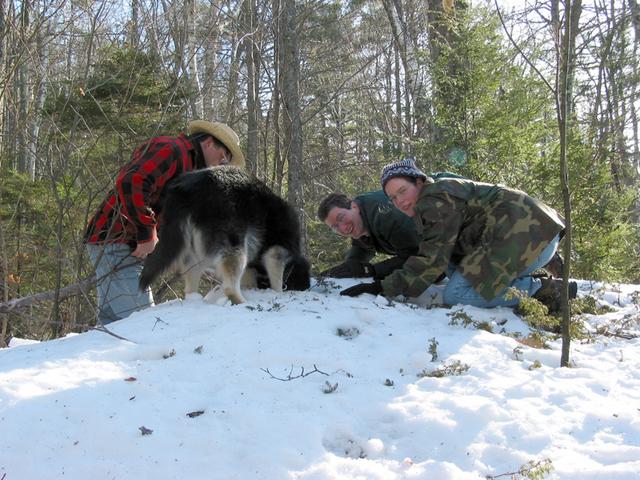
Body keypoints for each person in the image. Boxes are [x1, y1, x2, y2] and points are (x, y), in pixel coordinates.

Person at [340, 158, 577, 314]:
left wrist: (382, 287)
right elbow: (442, 255)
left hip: (533, 238)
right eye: (392, 198)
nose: (399, 201)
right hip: (534, 233)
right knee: (455, 269)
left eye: (402, 191)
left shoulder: (434, 201)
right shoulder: (432, 196)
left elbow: (431, 261)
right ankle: (531, 268)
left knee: (456, 294)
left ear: (419, 181)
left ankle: (544, 289)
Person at [85, 120, 245, 325]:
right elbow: (131, 181)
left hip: (121, 244)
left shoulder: (190, 171)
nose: (220, 164)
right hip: (115, 240)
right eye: (222, 156)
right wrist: (146, 231)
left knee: (112, 326)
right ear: (208, 143)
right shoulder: (173, 150)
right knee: (141, 324)